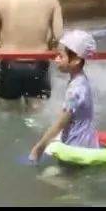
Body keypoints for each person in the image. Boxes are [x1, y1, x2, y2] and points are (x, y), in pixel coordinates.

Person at [29, 30, 99, 161]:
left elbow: (61, 123)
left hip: (77, 148)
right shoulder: (81, 80)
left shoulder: (75, 90)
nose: (56, 59)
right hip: (86, 142)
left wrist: (39, 147)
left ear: (76, 60)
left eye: (61, 56)